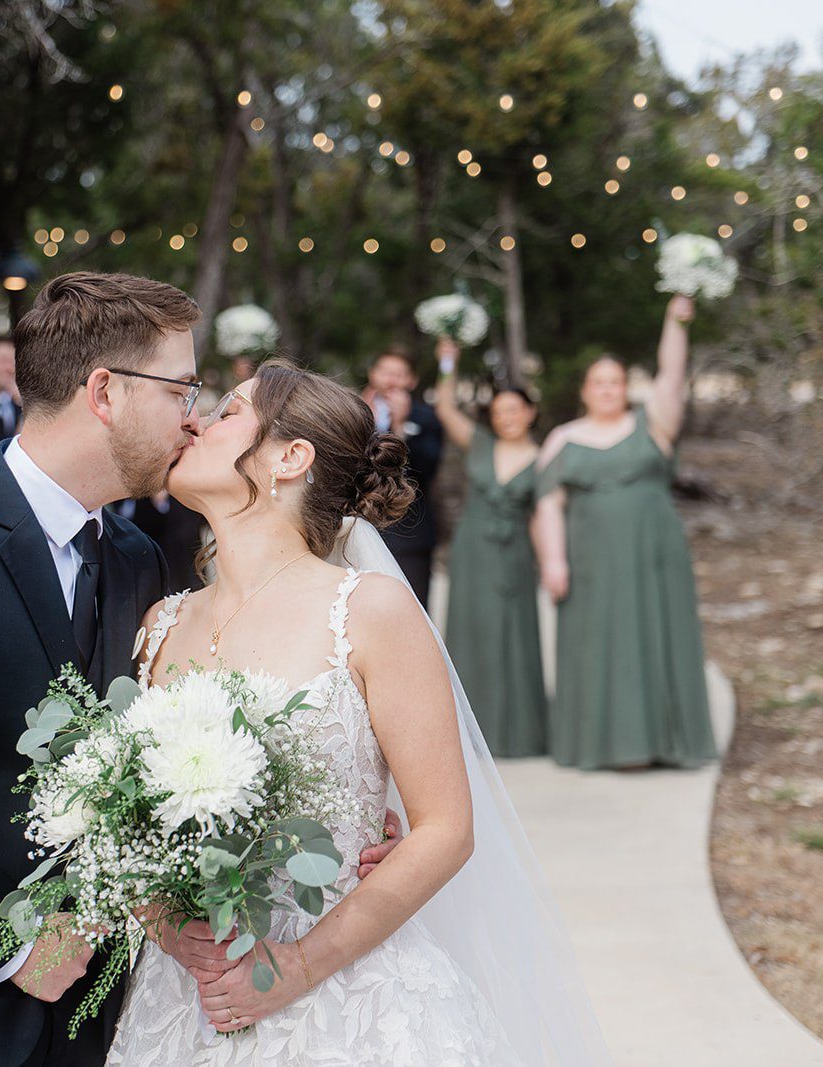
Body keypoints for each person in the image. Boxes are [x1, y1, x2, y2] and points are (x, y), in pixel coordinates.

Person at [0, 272, 408, 1066]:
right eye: (182, 388)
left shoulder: (138, 566)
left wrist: (331, 828)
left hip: (91, 1010)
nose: (192, 414)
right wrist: (12, 940)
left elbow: (156, 768)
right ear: (105, 392)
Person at [108, 361, 610, 1065]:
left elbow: (445, 829)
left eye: (226, 412)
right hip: (190, 999)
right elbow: (122, 820)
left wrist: (297, 967)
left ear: (290, 456)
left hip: (348, 997)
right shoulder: (161, 623)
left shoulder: (368, 610)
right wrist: (167, 927)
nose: (194, 421)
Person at [531, 296, 718, 771]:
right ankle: (603, 745)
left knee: (657, 631)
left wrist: (675, 323)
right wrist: (553, 561)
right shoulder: (564, 438)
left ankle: (663, 742)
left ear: (627, 388)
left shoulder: (653, 424)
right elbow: (548, 507)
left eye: (616, 382)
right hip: (590, 560)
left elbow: (671, 375)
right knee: (598, 643)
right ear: (585, 390)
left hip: (654, 552)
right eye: (599, 382)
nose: (608, 389)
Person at [433, 338, 549, 757]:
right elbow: (445, 408)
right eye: (499, 412)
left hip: (516, 547)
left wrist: (550, 562)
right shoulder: (480, 443)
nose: (507, 417)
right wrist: (448, 361)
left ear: (530, 412)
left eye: (514, 410)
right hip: (473, 548)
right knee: (472, 631)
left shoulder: (545, 456)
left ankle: (519, 734)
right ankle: (469, 734)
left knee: (514, 633)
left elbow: (547, 514)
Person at [361, 349, 445, 608]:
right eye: (386, 372)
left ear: (412, 381)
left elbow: (427, 470)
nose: (391, 380)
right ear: (372, 374)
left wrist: (400, 426)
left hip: (410, 533)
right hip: (362, 525)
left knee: (413, 607)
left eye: (399, 375)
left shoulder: (426, 418)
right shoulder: (354, 412)